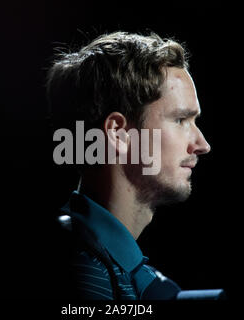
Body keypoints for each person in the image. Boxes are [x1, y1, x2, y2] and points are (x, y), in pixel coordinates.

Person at [46, 31, 212, 300]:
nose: (202, 144)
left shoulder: (124, 275)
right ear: (118, 134)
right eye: (181, 120)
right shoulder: (80, 272)